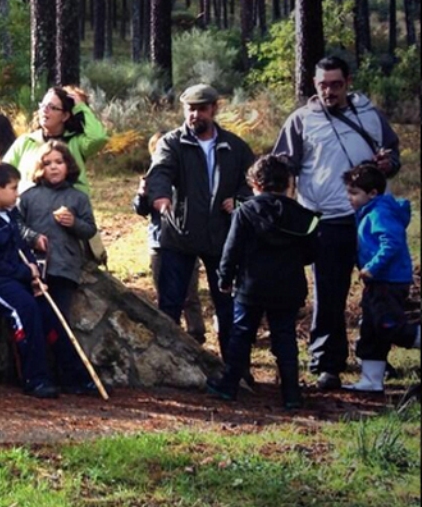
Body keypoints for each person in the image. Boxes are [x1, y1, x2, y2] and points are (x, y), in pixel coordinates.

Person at [273, 56, 401, 390]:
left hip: (372, 219)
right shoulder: (301, 121)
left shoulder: (371, 115)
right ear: (314, 85)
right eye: (322, 85)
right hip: (326, 218)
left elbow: (393, 154)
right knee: (329, 293)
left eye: (336, 84)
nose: (329, 91)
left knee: (380, 292)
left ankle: (374, 358)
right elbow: (283, 167)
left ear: (348, 82)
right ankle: (327, 363)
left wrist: (388, 163)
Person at [0, 163, 91, 399]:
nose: (18, 193)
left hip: (12, 277)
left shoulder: (9, 216)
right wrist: (25, 273)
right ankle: (35, 378)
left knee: (48, 311)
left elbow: (21, 248)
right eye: (13, 188)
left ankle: (74, 376)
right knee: (24, 309)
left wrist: (35, 275)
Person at [144, 83, 255, 361]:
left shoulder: (235, 146)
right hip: (179, 234)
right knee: (170, 304)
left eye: (201, 109)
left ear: (214, 109)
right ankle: (166, 365)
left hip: (222, 238)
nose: (195, 115)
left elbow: (253, 182)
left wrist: (239, 199)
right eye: (190, 109)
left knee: (228, 306)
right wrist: (160, 198)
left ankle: (235, 368)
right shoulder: (171, 143)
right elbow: (159, 173)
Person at [207, 155, 319, 409]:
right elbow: (312, 253)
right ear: (287, 183)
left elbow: (231, 249)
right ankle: (291, 393)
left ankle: (229, 386)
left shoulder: (245, 211)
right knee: (285, 337)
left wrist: (225, 277)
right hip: (288, 286)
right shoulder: (303, 216)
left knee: (241, 335)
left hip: (251, 285)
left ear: (255, 183)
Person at [17, 141, 100, 395]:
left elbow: (89, 229)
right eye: (48, 163)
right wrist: (32, 237)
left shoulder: (78, 197)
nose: (53, 168)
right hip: (34, 270)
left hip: (64, 268)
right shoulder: (29, 196)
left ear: (68, 166)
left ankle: (73, 375)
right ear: (40, 167)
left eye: (59, 162)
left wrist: (73, 222)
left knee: (59, 323)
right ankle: (43, 376)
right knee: (40, 322)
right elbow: (15, 225)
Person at [341, 163, 420, 393]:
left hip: (389, 280)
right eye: (349, 192)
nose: (349, 198)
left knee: (388, 324)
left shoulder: (380, 213)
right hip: (376, 282)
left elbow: (391, 243)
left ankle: (415, 337)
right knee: (371, 329)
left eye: (354, 193)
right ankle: (371, 380)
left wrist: (372, 267)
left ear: (373, 193)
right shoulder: (367, 212)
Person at [133, 131, 207, 344]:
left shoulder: (187, 175)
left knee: (189, 292)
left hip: (186, 239)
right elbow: (141, 210)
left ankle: (196, 333)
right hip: (159, 241)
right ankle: (169, 334)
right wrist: (142, 194)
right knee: (164, 292)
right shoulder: (152, 177)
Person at [4, 86, 108, 195]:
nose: (45, 110)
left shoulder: (76, 142)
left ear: (65, 116)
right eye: (43, 106)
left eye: (52, 107)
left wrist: (80, 107)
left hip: (68, 208)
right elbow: (3, 174)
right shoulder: (25, 142)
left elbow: (98, 138)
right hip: (30, 208)